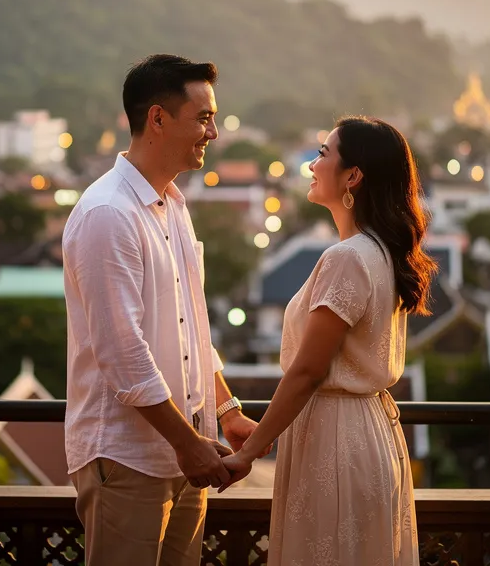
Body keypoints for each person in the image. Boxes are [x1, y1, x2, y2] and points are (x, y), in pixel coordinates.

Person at [63, 54, 262, 566]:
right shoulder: (109, 213)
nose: (213, 132)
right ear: (157, 118)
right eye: (202, 118)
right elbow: (122, 353)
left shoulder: (172, 204)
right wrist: (188, 444)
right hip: (129, 456)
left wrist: (225, 411)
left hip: (185, 450)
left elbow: (192, 325)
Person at [220, 116, 436, 566]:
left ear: (353, 175)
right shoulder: (380, 252)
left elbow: (308, 370)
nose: (312, 165)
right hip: (369, 431)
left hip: (337, 440)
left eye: (323, 154)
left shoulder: (347, 259)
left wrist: (251, 451)